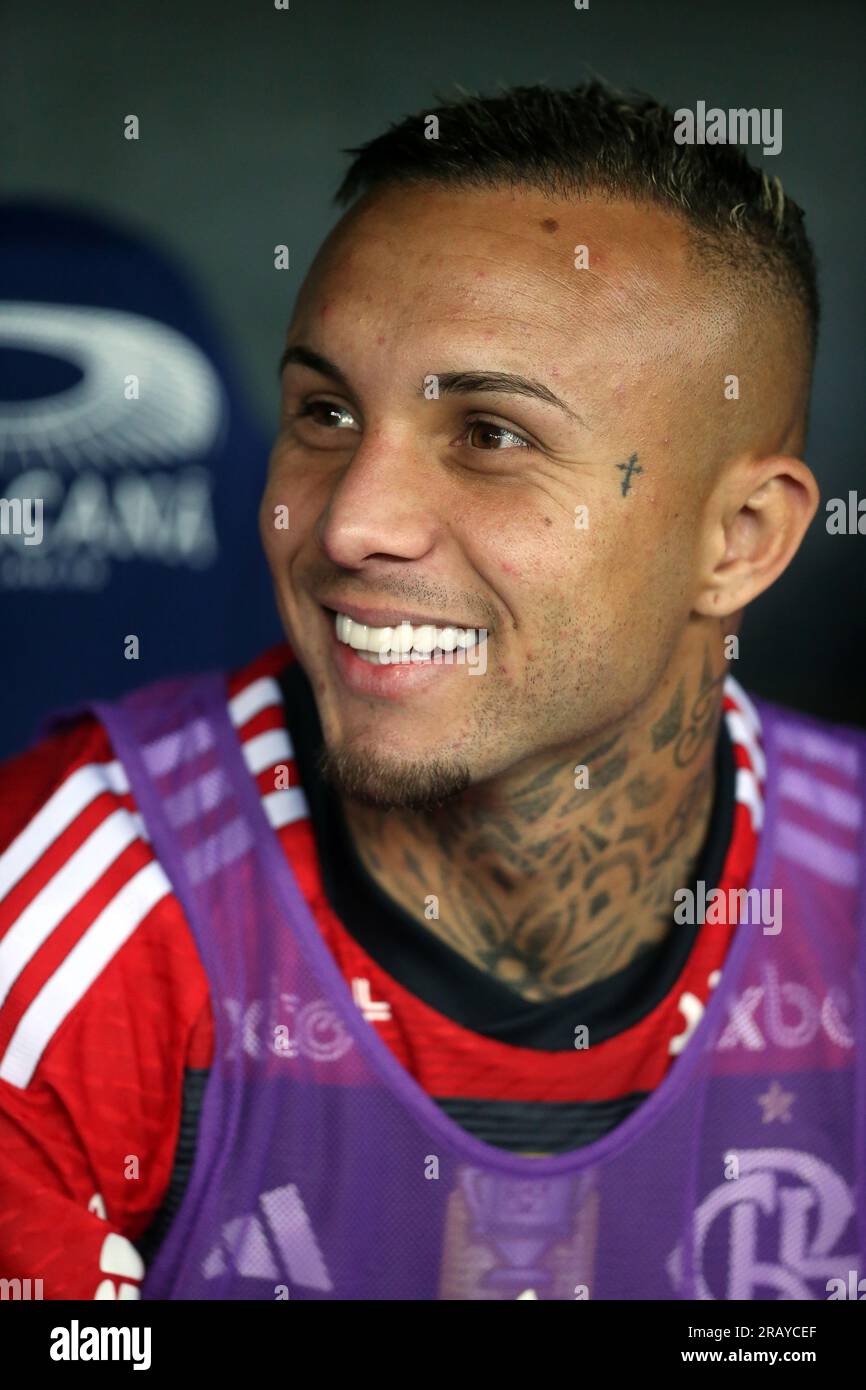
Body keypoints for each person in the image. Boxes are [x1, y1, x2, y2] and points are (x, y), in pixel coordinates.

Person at [0, 81, 862, 1302]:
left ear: (736, 539)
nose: (349, 521)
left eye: (490, 435)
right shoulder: (56, 912)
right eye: (325, 411)